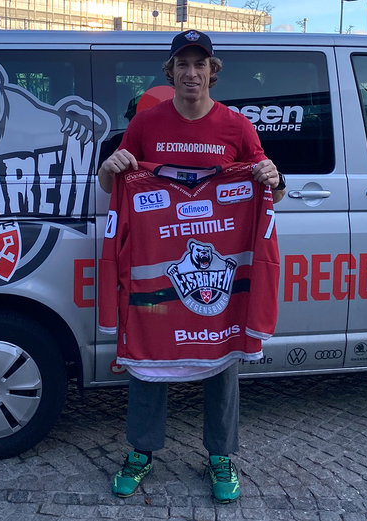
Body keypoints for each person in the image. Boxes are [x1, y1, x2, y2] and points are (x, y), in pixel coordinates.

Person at [97, 29, 284, 504]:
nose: (192, 73)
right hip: (158, 268)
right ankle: (141, 451)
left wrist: (274, 177)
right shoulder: (146, 124)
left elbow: (271, 192)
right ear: (171, 72)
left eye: (200, 64)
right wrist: (109, 167)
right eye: (183, 64)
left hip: (217, 272)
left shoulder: (237, 127)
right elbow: (112, 186)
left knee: (222, 354)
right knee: (148, 351)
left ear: (212, 72)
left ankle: (221, 455)